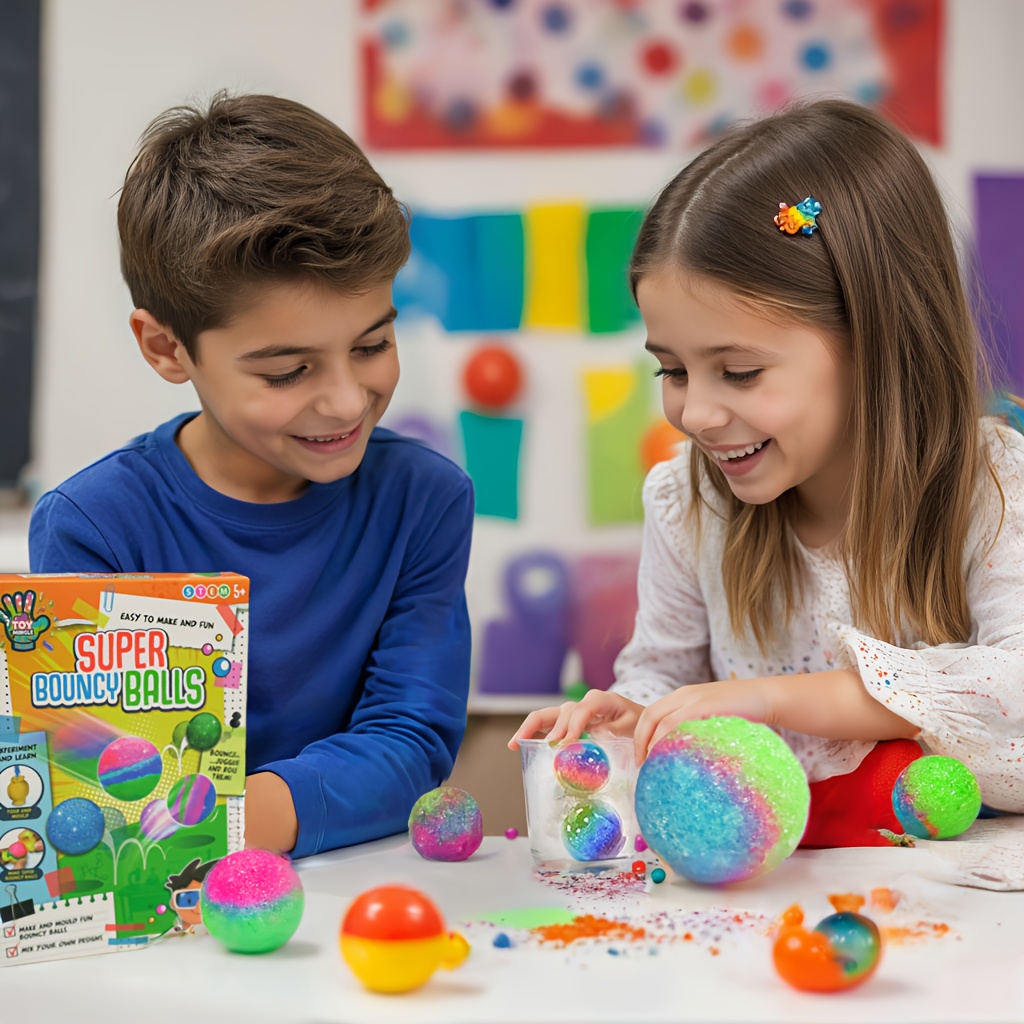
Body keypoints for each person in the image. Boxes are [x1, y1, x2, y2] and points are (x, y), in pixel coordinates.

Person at [511, 100, 1024, 846]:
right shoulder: (689, 501)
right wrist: (630, 718)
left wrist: (771, 699)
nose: (697, 414)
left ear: (875, 341)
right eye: (674, 370)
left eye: (740, 372)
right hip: (761, 889)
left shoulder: (994, 486)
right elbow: (666, 673)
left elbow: (1014, 695)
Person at [30, 93, 474, 858]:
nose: (344, 399)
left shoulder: (424, 499)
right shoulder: (93, 526)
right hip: (164, 910)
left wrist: (217, 822)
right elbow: (103, 785)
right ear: (167, 349)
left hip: (348, 899)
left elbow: (410, 742)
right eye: (289, 370)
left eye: (371, 346)